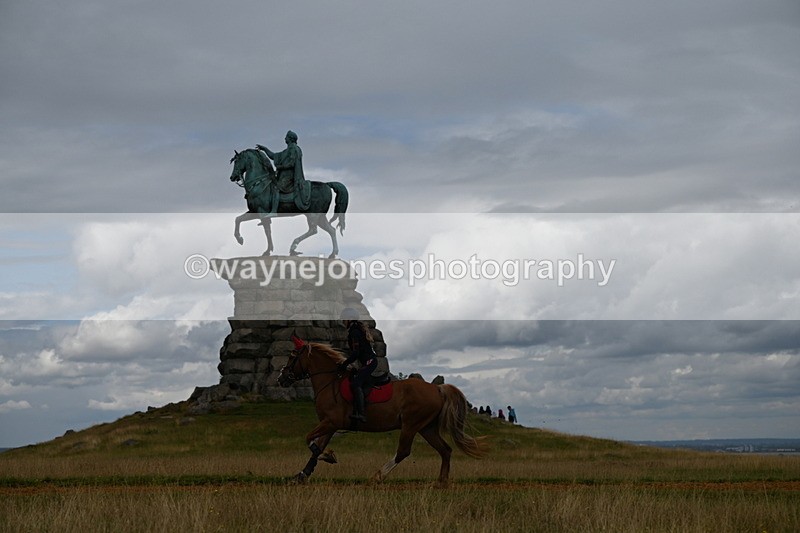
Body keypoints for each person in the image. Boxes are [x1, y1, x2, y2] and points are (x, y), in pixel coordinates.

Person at [255, 130, 311, 214]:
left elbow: (291, 164)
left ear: (290, 138)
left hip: (290, 177)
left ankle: (274, 211)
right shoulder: (288, 150)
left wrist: (281, 167)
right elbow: (274, 156)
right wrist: (265, 149)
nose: (285, 138)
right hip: (284, 176)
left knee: (275, 187)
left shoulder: (294, 149)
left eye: (286, 137)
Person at [337, 307, 377, 422]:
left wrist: (345, 364)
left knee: (356, 384)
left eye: (344, 319)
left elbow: (356, 353)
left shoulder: (354, 332)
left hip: (369, 362)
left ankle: (361, 414)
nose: (343, 322)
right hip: (366, 362)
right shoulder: (356, 330)